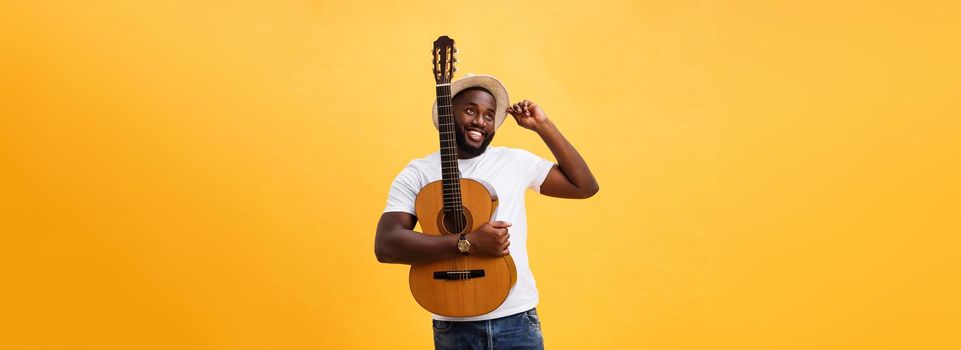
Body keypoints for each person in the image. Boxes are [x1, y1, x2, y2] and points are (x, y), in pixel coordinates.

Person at [375, 74, 598, 350]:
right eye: (471, 110)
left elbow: (584, 186)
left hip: (517, 321)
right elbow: (386, 245)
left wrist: (543, 126)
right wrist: (467, 243)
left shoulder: (514, 161)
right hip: (453, 325)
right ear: (448, 113)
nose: (480, 121)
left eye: (489, 115)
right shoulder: (418, 174)